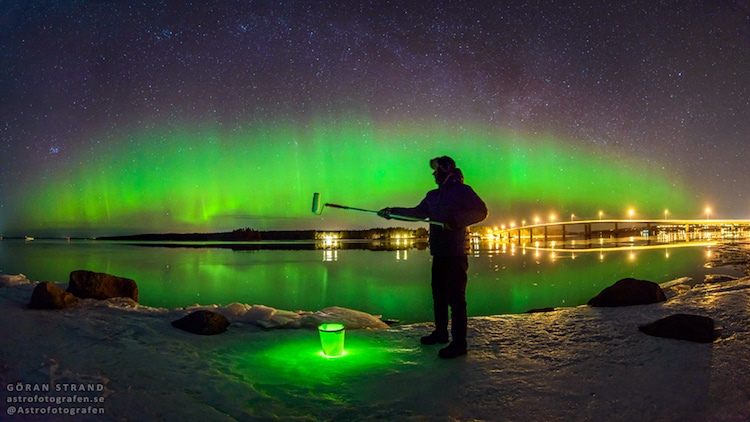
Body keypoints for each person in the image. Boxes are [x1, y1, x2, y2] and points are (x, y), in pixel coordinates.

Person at [378, 156, 487, 358]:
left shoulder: (463, 191)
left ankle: (459, 343)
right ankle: (440, 333)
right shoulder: (432, 196)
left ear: (446, 170)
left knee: (456, 299)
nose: (433, 174)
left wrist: (455, 221)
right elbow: (417, 213)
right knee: (438, 295)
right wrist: (392, 212)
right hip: (439, 252)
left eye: (436, 170)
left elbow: (481, 211)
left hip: (456, 252)